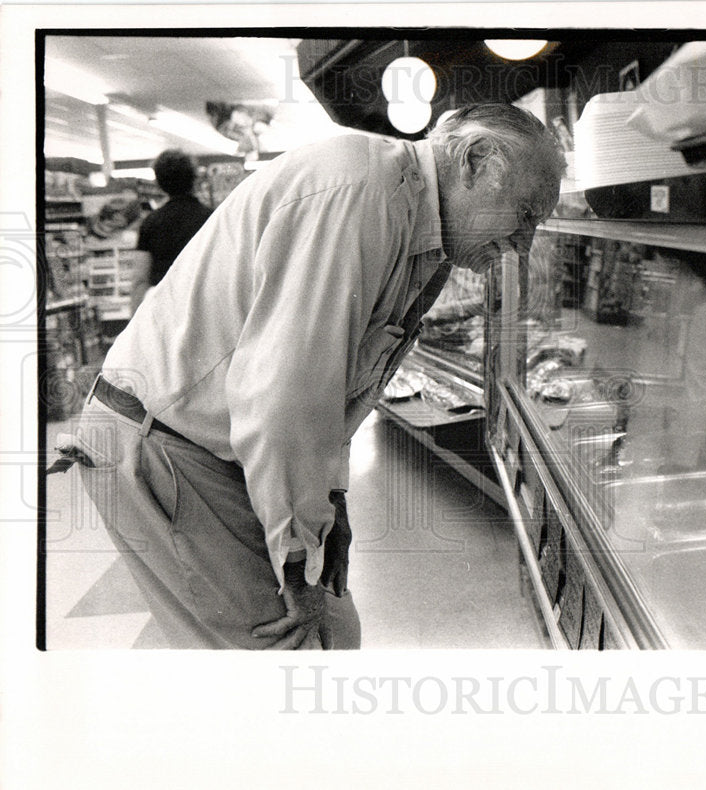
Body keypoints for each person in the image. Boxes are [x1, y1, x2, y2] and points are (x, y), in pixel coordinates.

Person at [53, 104, 565, 649]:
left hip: (208, 445)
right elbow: (285, 400)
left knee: (332, 632)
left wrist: (331, 504)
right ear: (475, 159)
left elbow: (333, 387)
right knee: (288, 652)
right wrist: (299, 562)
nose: (524, 245)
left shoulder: (416, 220)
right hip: (166, 445)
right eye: (526, 214)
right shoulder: (361, 195)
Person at [129, 149, 213, 314]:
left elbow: (140, 278)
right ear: (194, 179)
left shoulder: (151, 223)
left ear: (159, 183)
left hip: (166, 308)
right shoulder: (211, 217)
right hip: (205, 306)